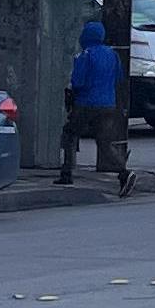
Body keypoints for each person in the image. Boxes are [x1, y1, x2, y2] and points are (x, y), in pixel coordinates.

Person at [59, 16, 129, 190]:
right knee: (104, 142)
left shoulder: (85, 54)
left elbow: (78, 82)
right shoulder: (113, 54)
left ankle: (66, 173)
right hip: (108, 104)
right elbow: (118, 78)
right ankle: (124, 172)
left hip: (86, 104)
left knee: (69, 134)